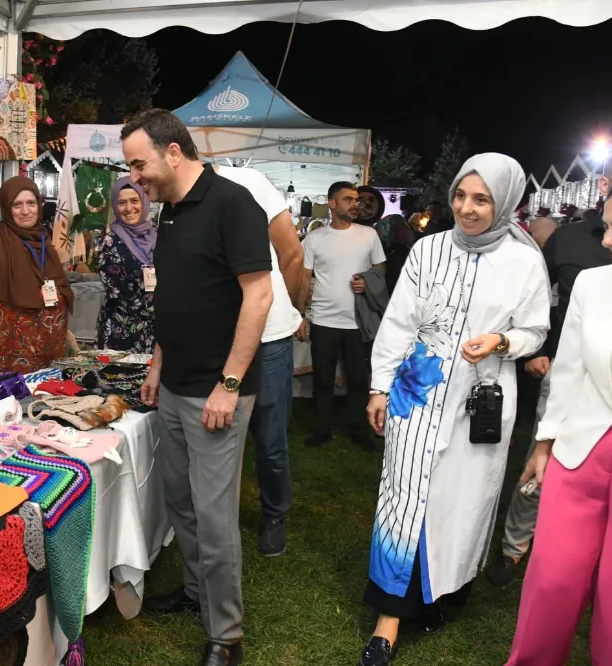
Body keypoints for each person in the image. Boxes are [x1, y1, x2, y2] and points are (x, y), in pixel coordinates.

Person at [358, 154, 551, 666]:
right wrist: (379, 388)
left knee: (461, 502)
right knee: (404, 498)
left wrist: (502, 341)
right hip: (415, 396)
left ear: (504, 203)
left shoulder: (524, 261)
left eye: (482, 199)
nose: (467, 208)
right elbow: (399, 322)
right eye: (461, 196)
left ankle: (439, 594)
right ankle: (388, 617)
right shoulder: (428, 250)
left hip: (478, 405)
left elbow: (536, 330)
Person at [122, 109, 273, 666]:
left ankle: (225, 635)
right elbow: (175, 298)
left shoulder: (234, 204)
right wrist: (157, 365)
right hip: (175, 384)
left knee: (214, 516)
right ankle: (195, 592)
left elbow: (259, 296)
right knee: (179, 499)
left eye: (139, 164)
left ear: (173, 152)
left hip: (218, 391)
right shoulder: (171, 211)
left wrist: (229, 384)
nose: (135, 177)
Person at [485, 144, 612, 587]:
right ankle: (515, 546)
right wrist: (536, 349)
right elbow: (538, 299)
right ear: (606, 185)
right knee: (544, 458)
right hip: (570, 372)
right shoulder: (570, 239)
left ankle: (606, 562)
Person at [215, 165, 304, 557]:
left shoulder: (249, 181)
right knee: (217, 434)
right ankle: (218, 519)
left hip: (269, 338)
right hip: (217, 340)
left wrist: (289, 309)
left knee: (269, 437)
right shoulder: (173, 201)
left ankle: (274, 514)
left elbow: (293, 253)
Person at [299, 181, 386, 450]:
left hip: (357, 322)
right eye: (348, 199)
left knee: (358, 380)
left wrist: (367, 282)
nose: (355, 204)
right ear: (332, 204)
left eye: (356, 200)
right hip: (323, 320)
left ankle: (359, 430)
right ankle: (322, 429)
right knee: (323, 379)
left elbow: (381, 269)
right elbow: (304, 279)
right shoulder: (315, 238)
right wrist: (300, 314)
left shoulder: (369, 235)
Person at [0, 177, 74, 376]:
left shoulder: (44, 241)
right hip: (9, 362)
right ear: (7, 208)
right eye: (17, 205)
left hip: (48, 363)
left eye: (31, 203)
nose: (25, 211)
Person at [96, 177, 156, 352]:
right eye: (122, 203)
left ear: (144, 201)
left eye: (134, 201)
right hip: (122, 328)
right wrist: (154, 310)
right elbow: (115, 288)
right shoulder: (109, 242)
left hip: (157, 329)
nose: (129, 208)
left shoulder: (158, 236)